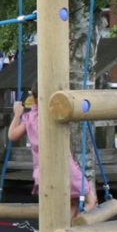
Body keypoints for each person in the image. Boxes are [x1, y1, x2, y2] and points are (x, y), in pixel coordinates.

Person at [7, 83, 97, 219]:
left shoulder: (29, 118)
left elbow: (12, 136)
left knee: (66, 205)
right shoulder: (56, 115)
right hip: (64, 167)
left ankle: (67, 228)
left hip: (43, 172)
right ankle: (75, 226)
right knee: (89, 200)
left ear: (34, 98)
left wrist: (17, 114)